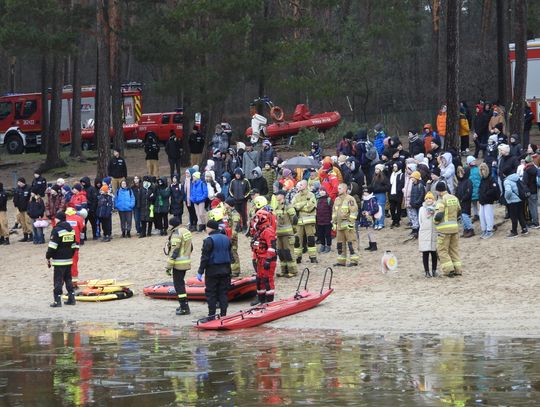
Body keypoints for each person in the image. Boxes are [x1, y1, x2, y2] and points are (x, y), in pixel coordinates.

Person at [197, 218, 232, 321]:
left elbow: (205, 257)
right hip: (226, 269)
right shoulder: (227, 239)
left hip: (213, 270)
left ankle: (211, 316)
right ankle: (224, 315)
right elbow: (230, 255)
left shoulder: (209, 240)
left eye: (207, 227)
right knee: (223, 292)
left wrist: (200, 271)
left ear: (210, 228)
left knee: (211, 293)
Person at [46, 211, 78, 308]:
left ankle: (57, 301)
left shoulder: (57, 230)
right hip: (69, 260)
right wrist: (70, 255)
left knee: (58, 281)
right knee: (68, 279)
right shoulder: (71, 230)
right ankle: (71, 299)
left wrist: (48, 256)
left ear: (58, 219)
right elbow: (74, 245)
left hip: (59, 261)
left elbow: (52, 246)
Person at [433, 182, 462, 277]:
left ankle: (449, 270)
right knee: (454, 250)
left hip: (444, 230)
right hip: (454, 228)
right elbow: (459, 211)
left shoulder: (441, 200)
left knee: (442, 250)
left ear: (438, 191)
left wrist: (435, 222)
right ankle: (458, 269)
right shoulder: (454, 198)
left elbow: (438, 216)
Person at [249, 208, 278, 305]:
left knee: (267, 279)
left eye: (256, 218)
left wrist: (268, 260)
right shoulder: (259, 231)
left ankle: (269, 301)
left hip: (267, 259)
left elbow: (272, 247)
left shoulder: (268, 231)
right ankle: (261, 300)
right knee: (259, 279)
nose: (255, 220)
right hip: (260, 259)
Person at [165, 216, 192, 316]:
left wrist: (168, 267)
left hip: (178, 264)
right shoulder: (186, 231)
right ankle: (184, 306)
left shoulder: (176, 234)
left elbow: (174, 251)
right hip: (186, 261)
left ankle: (184, 307)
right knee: (181, 283)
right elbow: (190, 247)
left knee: (179, 286)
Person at [332, 183, 359, 267]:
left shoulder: (350, 199)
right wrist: (334, 222)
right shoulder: (337, 200)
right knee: (340, 244)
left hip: (348, 226)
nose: (338, 190)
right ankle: (341, 261)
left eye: (339, 188)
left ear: (344, 189)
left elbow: (354, 211)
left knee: (351, 243)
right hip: (339, 226)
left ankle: (354, 260)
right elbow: (334, 212)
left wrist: (351, 223)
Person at [292, 180, 317, 264]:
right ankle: (297, 257)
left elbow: (310, 207)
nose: (299, 186)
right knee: (297, 240)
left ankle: (312, 257)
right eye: (298, 185)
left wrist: (300, 206)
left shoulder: (311, 195)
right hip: (299, 221)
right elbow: (293, 206)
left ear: (306, 186)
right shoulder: (296, 196)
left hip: (309, 221)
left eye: (301, 185)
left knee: (311, 239)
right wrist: (304, 204)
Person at [273, 190, 298, 278]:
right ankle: (284, 270)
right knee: (281, 253)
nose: (276, 196)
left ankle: (293, 271)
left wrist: (293, 231)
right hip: (279, 234)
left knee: (288, 252)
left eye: (277, 195)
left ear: (282, 196)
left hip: (287, 234)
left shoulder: (288, 206)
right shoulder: (277, 207)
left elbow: (294, 219)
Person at [418, 192, 438, 277]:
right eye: (427, 198)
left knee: (434, 253)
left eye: (430, 198)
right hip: (424, 233)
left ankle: (434, 270)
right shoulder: (422, 209)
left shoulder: (436, 208)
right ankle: (426, 271)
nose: (428, 200)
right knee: (425, 253)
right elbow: (420, 221)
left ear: (433, 199)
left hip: (434, 232)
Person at [503, 173, 528, 238]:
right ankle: (524, 229)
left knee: (513, 217)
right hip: (520, 199)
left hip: (513, 201)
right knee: (520, 215)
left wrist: (507, 198)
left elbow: (508, 191)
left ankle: (514, 232)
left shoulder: (507, 181)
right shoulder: (516, 177)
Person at [478, 163, 499, 239]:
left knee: (488, 216)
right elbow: (480, 189)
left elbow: (494, 189)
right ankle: (484, 230)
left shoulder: (491, 179)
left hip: (488, 200)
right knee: (481, 215)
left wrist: (486, 194)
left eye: (483, 169)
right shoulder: (482, 179)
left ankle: (489, 230)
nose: (482, 171)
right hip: (482, 201)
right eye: (481, 170)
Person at [65, 207, 84, 285]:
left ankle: (66, 281)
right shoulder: (79, 218)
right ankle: (74, 282)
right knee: (74, 262)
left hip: (64, 244)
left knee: (64, 263)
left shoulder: (64, 219)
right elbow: (82, 228)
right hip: (75, 243)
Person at [223, 198, 242, 276]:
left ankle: (236, 270)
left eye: (225, 203)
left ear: (229, 204)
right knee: (228, 252)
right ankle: (230, 269)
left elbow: (235, 227)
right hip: (226, 235)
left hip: (232, 236)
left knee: (233, 252)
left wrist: (231, 237)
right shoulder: (226, 213)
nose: (224, 205)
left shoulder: (235, 214)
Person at [456, 166, 474, 238]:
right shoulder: (460, 182)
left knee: (465, 215)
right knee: (462, 217)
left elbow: (469, 192)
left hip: (466, 201)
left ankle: (470, 229)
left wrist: (463, 199)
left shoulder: (468, 181)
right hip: (460, 201)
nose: (460, 174)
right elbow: (457, 191)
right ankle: (465, 229)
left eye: (462, 172)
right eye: (459, 173)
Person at [370, 164, 389, 230]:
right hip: (374, 194)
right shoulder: (373, 177)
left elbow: (387, 186)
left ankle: (381, 223)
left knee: (380, 209)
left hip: (381, 194)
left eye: (378, 169)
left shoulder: (384, 177)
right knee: (375, 209)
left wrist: (379, 188)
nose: (376, 170)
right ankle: (376, 223)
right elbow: (372, 185)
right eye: (375, 169)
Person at [359, 186, 379, 251]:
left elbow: (376, 208)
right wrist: (363, 212)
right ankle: (370, 244)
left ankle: (374, 245)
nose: (364, 193)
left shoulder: (372, 199)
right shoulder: (365, 199)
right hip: (366, 217)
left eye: (366, 192)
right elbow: (363, 208)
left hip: (371, 217)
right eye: (364, 192)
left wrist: (369, 212)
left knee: (371, 232)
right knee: (368, 231)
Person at [13, 177, 33, 242]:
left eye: (19, 182)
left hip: (27, 208)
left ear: (23, 182)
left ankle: (31, 235)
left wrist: (30, 205)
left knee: (28, 222)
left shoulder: (29, 188)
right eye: (18, 182)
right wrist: (16, 204)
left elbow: (31, 198)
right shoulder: (17, 189)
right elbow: (15, 198)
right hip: (20, 209)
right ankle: (25, 236)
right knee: (22, 223)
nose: (18, 184)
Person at [523, 154, 539, 228]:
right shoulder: (535, 169)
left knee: (532, 208)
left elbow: (525, 182)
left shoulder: (526, 170)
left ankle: (535, 223)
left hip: (530, 191)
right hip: (535, 190)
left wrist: (526, 191)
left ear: (526, 162)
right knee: (534, 207)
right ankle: (535, 221)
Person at [316, 186, 333, 254]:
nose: (322, 192)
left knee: (327, 234)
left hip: (327, 221)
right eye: (320, 191)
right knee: (320, 234)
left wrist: (332, 219)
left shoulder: (329, 200)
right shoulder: (317, 200)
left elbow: (332, 210)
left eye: (323, 190)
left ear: (325, 191)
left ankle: (328, 246)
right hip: (319, 221)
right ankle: (322, 245)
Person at [389, 162, 405, 228]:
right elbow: (391, 183)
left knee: (398, 208)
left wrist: (399, 191)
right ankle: (393, 219)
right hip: (392, 193)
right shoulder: (392, 174)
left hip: (398, 194)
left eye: (395, 167)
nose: (394, 168)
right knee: (392, 208)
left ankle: (397, 221)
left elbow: (401, 184)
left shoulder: (401, 175)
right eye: (394, 167)